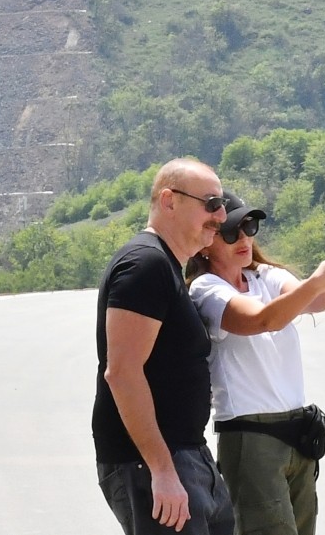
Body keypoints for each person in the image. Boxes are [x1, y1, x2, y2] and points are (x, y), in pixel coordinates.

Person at [186, 190, 325, 535]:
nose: (243, 239)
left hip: (296, 432)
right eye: (230, 232)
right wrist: (320, 280)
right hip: (251, 437)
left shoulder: (263, 276)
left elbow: (316, 300)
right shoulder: (206, 289)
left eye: (248, 227)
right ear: (207, 242)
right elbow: (262, 320)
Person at [93, 158, 235, 535]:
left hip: (186, 454)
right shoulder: (146, 264)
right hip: (153, 463)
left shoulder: (167, 266)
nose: (220, 215)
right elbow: (121, 372)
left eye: (220, 204)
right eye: (210, 204)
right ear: (169, 201)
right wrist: (161, 470)